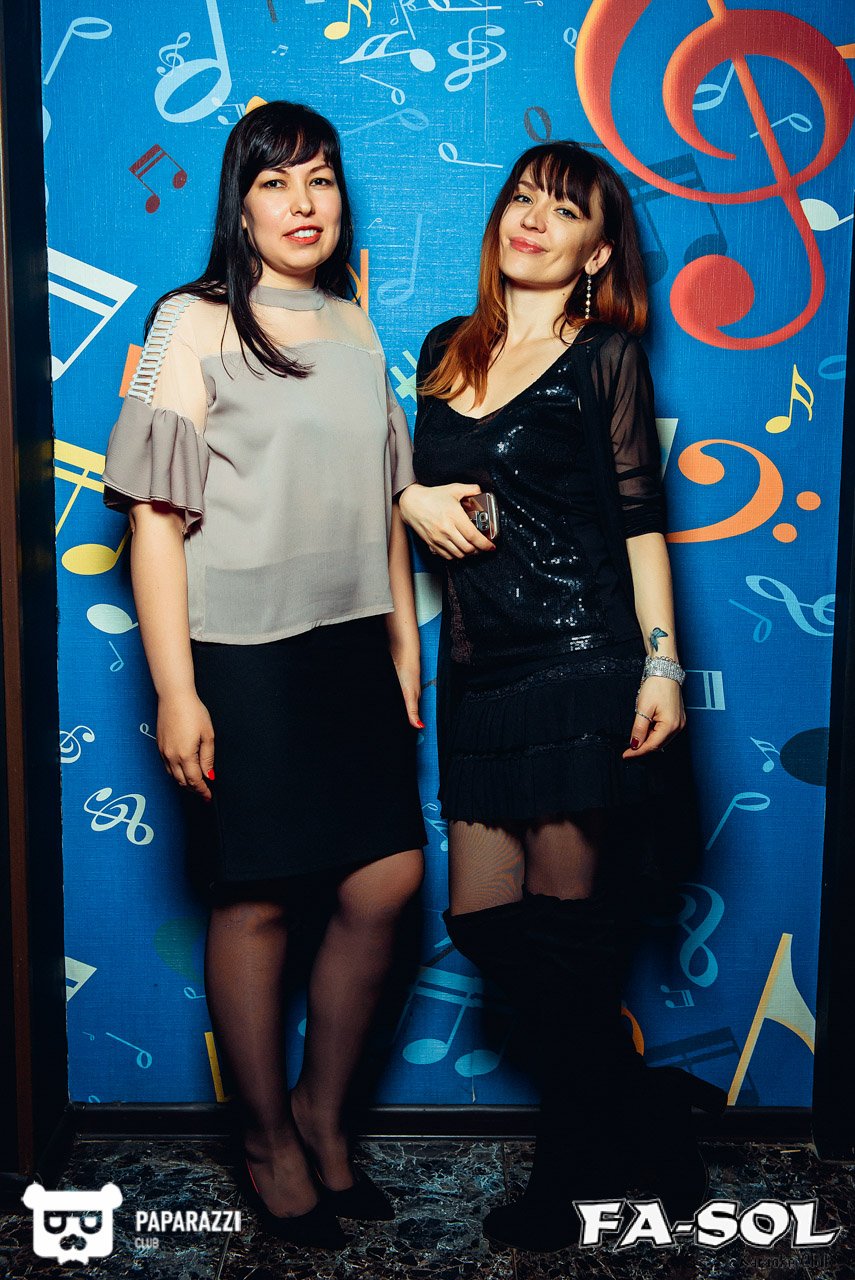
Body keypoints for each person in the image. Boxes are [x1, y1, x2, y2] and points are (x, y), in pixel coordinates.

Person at [101, 100, 426, 1249]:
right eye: (278, 181)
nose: (304, 202)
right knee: (259, 895)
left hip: (351, 639)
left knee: (385, 880)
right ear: (240, 206)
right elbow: (153, 518)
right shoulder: (187, 321)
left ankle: (323, 1114)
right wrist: (177, 689)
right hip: (240, 651)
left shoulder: (355, 323)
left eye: (322, 179)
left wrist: (403, 639)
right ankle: (267, 1141)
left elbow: (386, 494)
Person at [398, 141, 726, 1252]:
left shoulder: (605, 356)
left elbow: (640, 524)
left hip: (583, 659)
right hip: (481, 671)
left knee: (569, 934)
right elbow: (413, 479)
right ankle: (648, 1109)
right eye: (523, 198)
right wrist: (406, 498)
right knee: (482, 922)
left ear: (595, 252)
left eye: (564, 210)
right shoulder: (444, 349)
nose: (533, 218)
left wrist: (662, 665)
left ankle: (570, 1170)